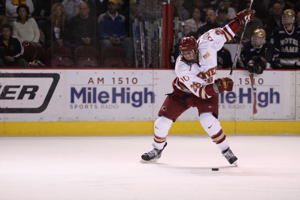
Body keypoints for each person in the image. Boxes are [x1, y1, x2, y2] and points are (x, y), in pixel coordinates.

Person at [141, 9, 255, 164]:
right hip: (183, 93)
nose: (187, 55)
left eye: (190, 52)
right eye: (184, 53)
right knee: (161, 123)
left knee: (208, 120)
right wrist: (218, 86)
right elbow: (201, 92)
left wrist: (239, 20)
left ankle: (226, 150)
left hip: (207, 89)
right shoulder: (181, 68)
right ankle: (157, 149)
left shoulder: (207, 42)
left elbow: (225, 33)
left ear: (196, 48)